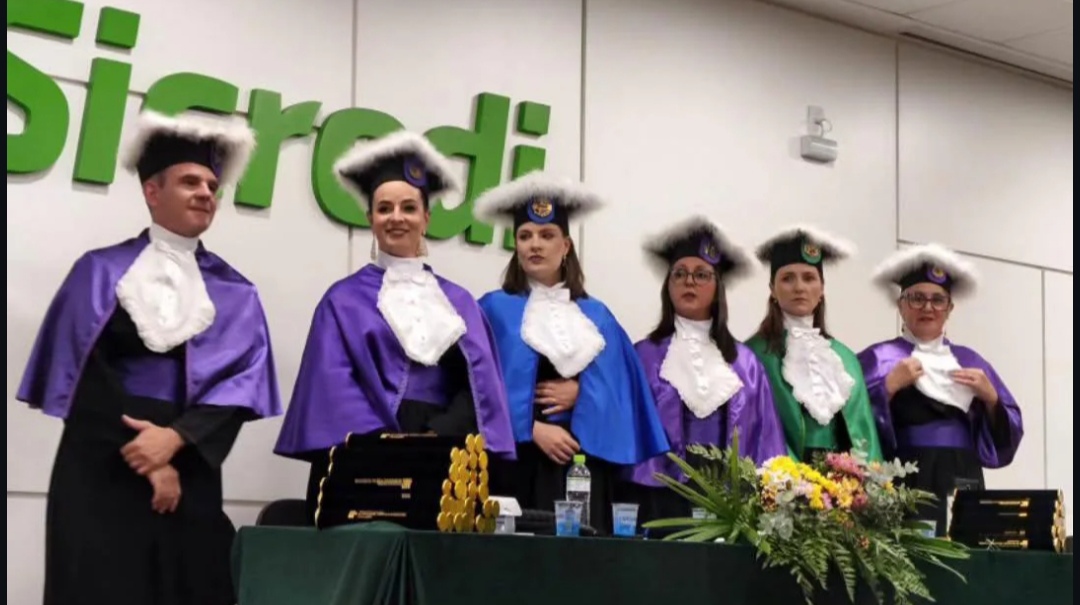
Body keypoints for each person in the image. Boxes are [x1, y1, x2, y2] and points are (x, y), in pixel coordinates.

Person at [16, 110, 283, 605]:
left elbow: (240, 383)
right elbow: (81, 374)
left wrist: (176, 440)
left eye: (211, 185)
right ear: (152, 191)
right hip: (101, 461)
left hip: (192, 461)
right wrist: (151, 460)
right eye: (189, 182)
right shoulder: (99, 270)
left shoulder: (236, 290)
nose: (206, 193)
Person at [273, 131, 516, 521]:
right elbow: (333, 387)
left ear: (426, 218)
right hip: (363, 452)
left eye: (409, 207)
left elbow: (477, 386)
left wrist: (438, 435)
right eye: (384, 208)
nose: (396, 217)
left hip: (443, 451)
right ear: (370, 219)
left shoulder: (460, 302)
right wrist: (389, 445)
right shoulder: (342, 300)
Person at [472, 171, 669, 535]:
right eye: (525, 236)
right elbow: (476, 390)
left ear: (566, 246)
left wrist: (583, 394)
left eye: (546, 236)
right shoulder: (491, 310)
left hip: (584, 463)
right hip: (519, 460)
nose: (535, 245)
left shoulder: (599, 316)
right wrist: (530, 429)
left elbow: (626, 396)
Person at [620, 216, 788, 526]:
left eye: (701, 274)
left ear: (717, 287)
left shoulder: (746, 363)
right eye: (679, 274)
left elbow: (767, 439)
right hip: (659, 496)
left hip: (729, 500)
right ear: (668, 286)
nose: (689, 282)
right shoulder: (643, 356)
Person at [858, 244, 1023, 535]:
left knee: (965, 552)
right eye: (917, 298)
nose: (928, 307)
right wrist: (886, 389)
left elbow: (1007, 435)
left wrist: (991, 399)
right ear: (901, 305)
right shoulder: (878, 358)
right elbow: (850, 426)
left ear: (949, 308)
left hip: (963, 477)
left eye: (937, 300)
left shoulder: (972, 361)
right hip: (905, 480)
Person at [745, 226, 882, 463]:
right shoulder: (754, 355)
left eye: (809, 278)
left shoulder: (845, 358)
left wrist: (867, 479)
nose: (799, 287)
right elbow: (753, 429)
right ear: (772, 290)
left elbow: (863, 432)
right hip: (780, 474)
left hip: (841, 477)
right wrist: (793, 477)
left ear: (822, 289)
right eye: (787, 278)